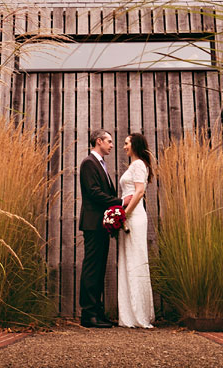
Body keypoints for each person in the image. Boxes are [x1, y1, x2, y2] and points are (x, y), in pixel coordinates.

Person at [78, 129, 122, 328]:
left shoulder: (101, 164)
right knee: (91, 268)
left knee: (99, 269)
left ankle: (98, 312)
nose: (112, 145)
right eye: (109, 142)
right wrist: (119, 202)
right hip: (93, 224)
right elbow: (94, 192)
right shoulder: (89, 163)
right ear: (99, 141)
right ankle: (88, 315)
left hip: (101, 225)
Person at [117, 132, 155, 329]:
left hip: (134, 216)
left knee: (136, 261)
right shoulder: (133, 165)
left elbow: (139, 192)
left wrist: (124, 214)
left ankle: (139, 314)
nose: (124, 147)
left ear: (135, 145)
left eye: (126, 143)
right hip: (128, 215)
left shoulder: (139, 164)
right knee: (128, 260)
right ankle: (129, 315)